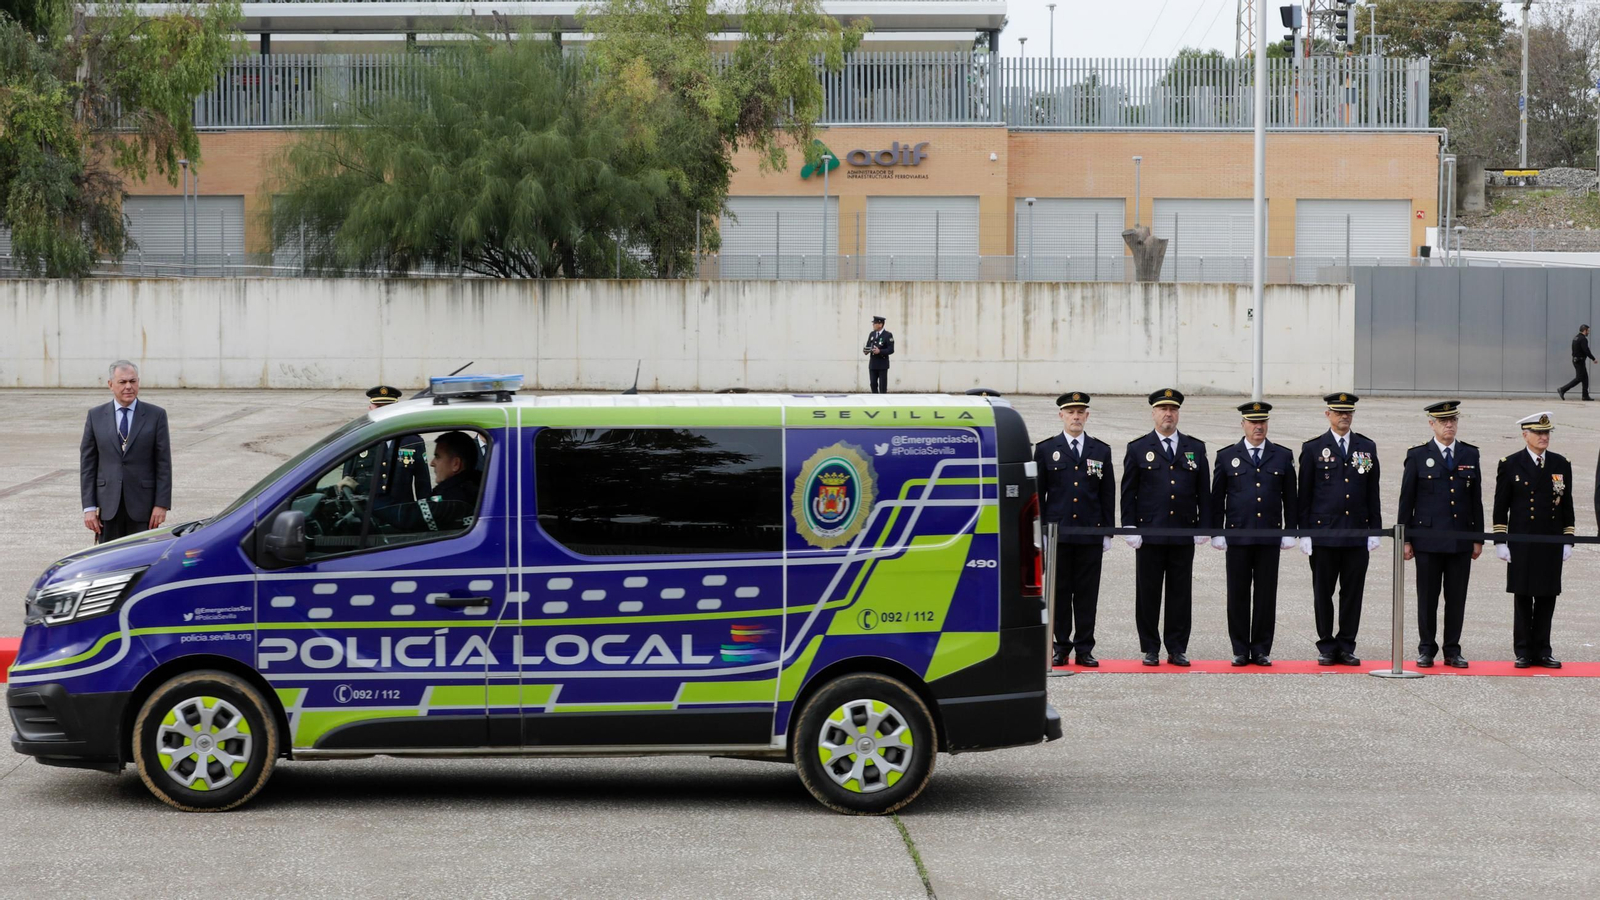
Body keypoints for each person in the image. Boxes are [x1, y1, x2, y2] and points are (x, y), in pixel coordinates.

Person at [1121, 388, 1211, 667]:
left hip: (1183, 532)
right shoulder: (1138, 448)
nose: (1168, 414)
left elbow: (1203, 492)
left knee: (1180, 594)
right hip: (1150, 533)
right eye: (1163, 409)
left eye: (1172, 409)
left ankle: (1177, 647)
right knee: (1148, 593)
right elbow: (1129, 492)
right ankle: (1150, 647)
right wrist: (1129, 526)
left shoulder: (1194, 447)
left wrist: (1204, 526)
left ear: (1178, 414)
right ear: (1153, 413)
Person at [1209, 401, 1298, 667]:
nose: (1258, 427)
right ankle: (1239, 648)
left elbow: (1290, 497)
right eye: (1252, 422)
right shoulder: (1227, 456)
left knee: (1265, 595)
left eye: (1262, 422)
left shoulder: (1282, 455)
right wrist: (1217, 531)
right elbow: (1217, 497)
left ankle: (1260, 649)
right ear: (1243, 424)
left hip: (1269, 536)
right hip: (1238, 536)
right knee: (1237, 594)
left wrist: (1290, 530)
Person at [1395, 400, 1483, 668]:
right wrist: (1406, 539)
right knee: (1428, 598)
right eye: (1444, 421)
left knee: (1456, 598)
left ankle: (1452, 649)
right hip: (1428, 539)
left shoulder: (1469, 454)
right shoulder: (1418, 455)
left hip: (1459, 539)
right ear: (1431, 424)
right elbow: (1406, 500)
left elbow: (1475, 499)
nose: (1449, 425)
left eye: (1453, 420)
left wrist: (1477, 537)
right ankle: (1426, 649)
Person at [1297, 392, 1382, 666]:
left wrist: (1375, 531)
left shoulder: (1366, 447)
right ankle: (1326, 644)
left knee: (1352, 593)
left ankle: (1346, 644)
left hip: (1357, 532)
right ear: (1328, 415)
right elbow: (1305, 494)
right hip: (1324, 534)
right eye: (1338, 412)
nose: (1344, 416)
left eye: (1348, 412)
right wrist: (1304, 532)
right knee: (1323, 592)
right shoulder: (1313, 449)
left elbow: (1372, 492)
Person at [1034, 391, 1115, 668]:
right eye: (1071, 412)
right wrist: (1042, 532)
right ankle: (1061, 646)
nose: (1076, 417)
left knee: (1086, 593)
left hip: (1089, 533)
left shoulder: (1100, 450)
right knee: (1059, 593)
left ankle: (1084, 647)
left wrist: (1106, 531)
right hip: (1059, 534)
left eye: (1081, 412)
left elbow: (1107, 493)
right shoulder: (1046, 450)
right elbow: (1039, 494)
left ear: (1087, 416)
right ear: (1061, 416)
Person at [1492, 412, 1574, 669]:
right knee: (1524, 595)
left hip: (1549, 539)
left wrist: (1568, 538)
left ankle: (1543, 649)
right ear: (1525, 435)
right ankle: (1524, 650)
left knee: (1548, 595)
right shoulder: (1510, 464)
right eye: (1538, 433)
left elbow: (1566, 503)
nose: (1544, 437)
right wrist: (1500, 539)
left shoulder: (1561, 464)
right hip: (1522, 539)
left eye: (1547, 432)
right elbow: (1500, 504)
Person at [80, 360, 172, 543]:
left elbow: (163, 464)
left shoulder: (156, 415)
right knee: (109, 561)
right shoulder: (95, 416)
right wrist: (89, 507)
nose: (128, 387)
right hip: (107, 508)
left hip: (143, 507)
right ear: (110, 384)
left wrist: (161, 505)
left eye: (133, 381)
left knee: (143, 559)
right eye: (122, 382)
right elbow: (88, 465)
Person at [373, 431, 482, 534]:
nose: (432, 463)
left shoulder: (454, 498)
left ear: (455, 464)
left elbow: (408, 517)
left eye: (437, 457)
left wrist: (369, 501)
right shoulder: (470, 486)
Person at [340, 385, 429, 505]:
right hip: (367, 517)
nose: (383, 412)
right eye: (378, 407)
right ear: (370, 409)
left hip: (400, 517)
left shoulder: (412, 441)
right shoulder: (359, 441)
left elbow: (423, 487)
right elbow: (347, 482)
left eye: (388, 407)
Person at [1557, 324, 1595, 401]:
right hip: (1579, 361)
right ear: (1585, 330)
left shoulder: (1576, 338)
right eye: (1588, 331)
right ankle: (1562, 389)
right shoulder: (1583, 339)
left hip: (1576, 360)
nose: (1589, 332)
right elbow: (1586, 350)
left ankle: (1585, 396)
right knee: (1579, 378)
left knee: (1585, 378)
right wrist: (1593, 358)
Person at [864, 315, 894, 394]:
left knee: (882, 386)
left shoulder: (888, 335)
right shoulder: (872, 334)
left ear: (880, 324)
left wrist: (880, 351)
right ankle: (875, 401)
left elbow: (891, 350)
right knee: (873, 384)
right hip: (873, 364)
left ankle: (883, 403)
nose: (873, 325)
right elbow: (868, 345)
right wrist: (866, 350)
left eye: (875, 323)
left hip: (882, 364)